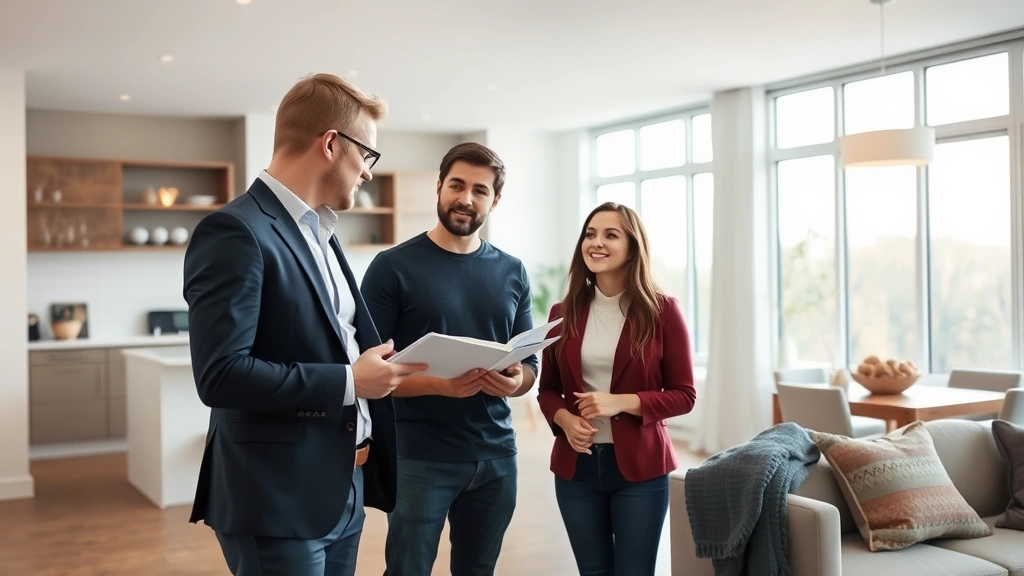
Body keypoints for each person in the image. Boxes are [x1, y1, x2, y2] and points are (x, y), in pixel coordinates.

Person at [182, 73, 428, 576]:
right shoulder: (235, 230)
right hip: (275, 497)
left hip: (342, 486)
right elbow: (221, 375)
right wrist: (350, 381)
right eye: (368, 156)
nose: (368, 173)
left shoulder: (322, 232)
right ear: (332, 144)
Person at [359, 142, 538, 576]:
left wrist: (516, 382)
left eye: (480, 190)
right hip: (419, 456)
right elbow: (366, 374)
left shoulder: (512, 270)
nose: (466, 198)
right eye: (456, 185)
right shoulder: (391, 267)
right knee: (408, 570)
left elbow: (531, 368)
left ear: (494, 201)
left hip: (496, 456)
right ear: (438, 187)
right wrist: (441, 385)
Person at [536, 202, 697, 576]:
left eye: (611, 234)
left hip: (641, 469)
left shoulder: (663, 312)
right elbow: (547, 389)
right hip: (576, 467)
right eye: (590, 234)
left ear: (633, 246)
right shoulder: (562, 313)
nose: (597, 242)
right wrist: (563, 418)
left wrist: (618, 402)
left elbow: (684, 395)